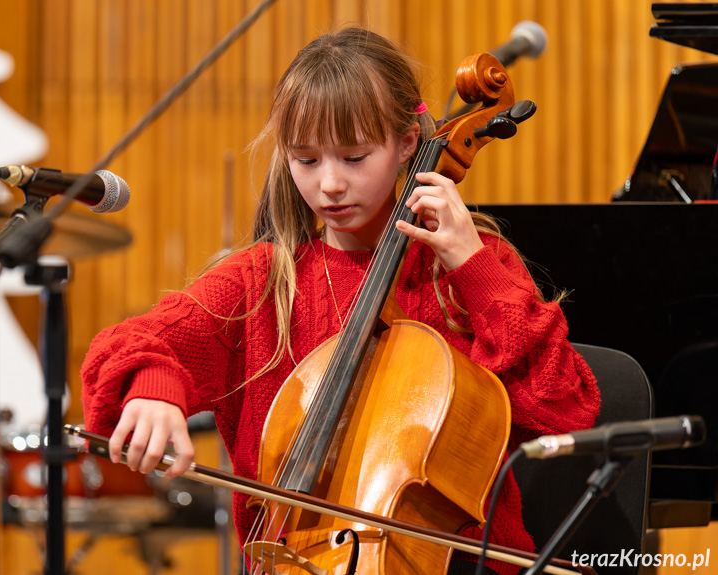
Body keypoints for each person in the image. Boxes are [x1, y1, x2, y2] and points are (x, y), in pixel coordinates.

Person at [81, 26, 600, 575]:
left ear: (405, 143)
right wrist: (154, 391)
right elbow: (136, 342)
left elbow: (564, 412)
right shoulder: (262, 284)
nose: (329, 184)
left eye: (354, 157)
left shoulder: (469, 270)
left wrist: (473, 266)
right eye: (306, 160)